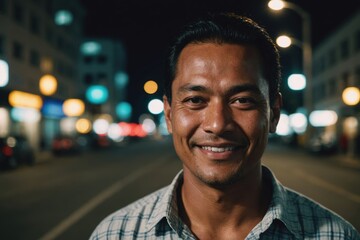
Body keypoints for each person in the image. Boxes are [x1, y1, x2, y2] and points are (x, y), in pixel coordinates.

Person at [90, 13, 360, 239]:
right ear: (170, 115)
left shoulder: (336, 235)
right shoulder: (116, 234)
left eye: (242, 100)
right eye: (195, 100)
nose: (218, 124)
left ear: (274, 113)